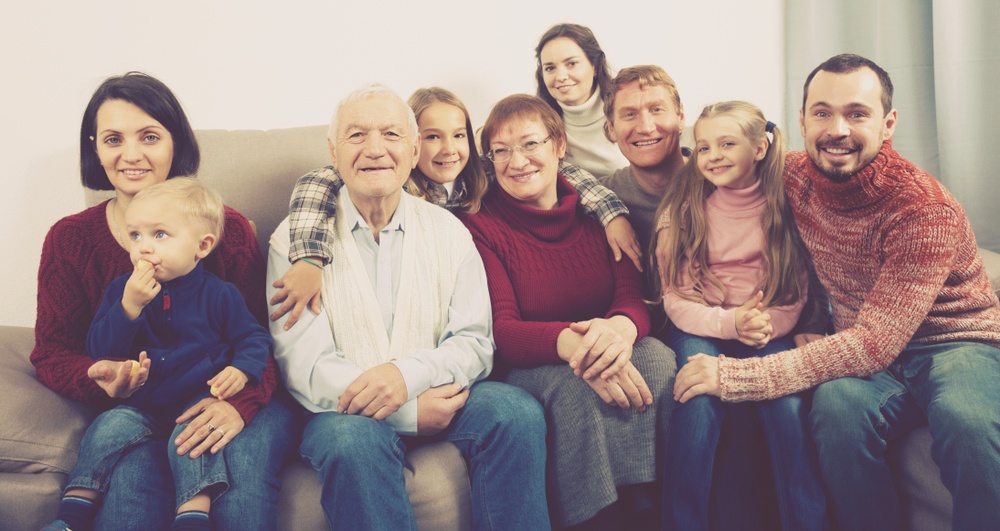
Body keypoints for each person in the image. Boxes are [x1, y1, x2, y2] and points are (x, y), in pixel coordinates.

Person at [667, 53, 1000, 530]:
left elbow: (874, 343)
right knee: (837, 409)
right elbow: (708, 158)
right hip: (866, 352)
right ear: (801, 121)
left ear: (888, 124)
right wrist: (607, 211)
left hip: (952, 342)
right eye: (822, 112)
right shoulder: (795, 175)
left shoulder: (924, 211)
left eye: (857, 113)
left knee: (967, 419)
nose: (837, 128)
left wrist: (737, 377)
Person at [266, 84, 550, 530]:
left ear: (414, 148)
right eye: (356, 135)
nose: (375, 149)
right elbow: (305, 365)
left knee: (513, 411)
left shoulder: (451, 232)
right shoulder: (294, 243)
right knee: (349, 441)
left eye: (392, 135)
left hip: (440, 393)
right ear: (333, 152)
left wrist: (406, 376)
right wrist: (407, 413)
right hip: (341, 415)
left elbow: (475, 341)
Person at [31, 71, 295, 530]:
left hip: (225, 390)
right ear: (95, 147)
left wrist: (239, 402)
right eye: (113, 139)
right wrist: (101, 378)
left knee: (231, 467)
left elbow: (262, 337)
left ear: (176, 142)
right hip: (141, 404)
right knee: (133, 475)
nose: (131, 154)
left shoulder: (225, 231)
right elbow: (53, 350)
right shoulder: (70, 239)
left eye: (149, 136)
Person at [458, 93, 675, 530]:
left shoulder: (602, 211)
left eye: (530, 144)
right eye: (501, 151)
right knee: (578, 387)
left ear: (559, 145)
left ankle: (655, 506)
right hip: (533, 362)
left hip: (604, 343)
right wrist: (581, 348)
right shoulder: (480, 225)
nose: (516, 161)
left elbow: (633, 296)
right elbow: (505, 331)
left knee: (658, 358)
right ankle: (596, 518)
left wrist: (619, 329)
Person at [269, 86, 641, 329]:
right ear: (412, 145)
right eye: (432, 137)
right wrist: (309, 259)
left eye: (459, 135)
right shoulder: (390, 183)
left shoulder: (483, 175)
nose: (448, 149)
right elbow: (317, 182)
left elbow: (561, 170)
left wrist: (611, 213)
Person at [44, 178, 272, 531]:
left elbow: (253, 336)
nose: (143, 248)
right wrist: (128, 308)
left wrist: (243, 370)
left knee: (195, 437)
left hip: (198, 396)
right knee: (108, 427)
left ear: (203, 245)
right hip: (143, 402)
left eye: (160, 235)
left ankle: (192, 516)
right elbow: (99, 349)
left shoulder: (220, 293)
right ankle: (70, 519)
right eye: (135, 236)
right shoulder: (122, 290)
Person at [654, 101, 826, 530]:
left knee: (786, 411)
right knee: (695, 402)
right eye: (704, 146)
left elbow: (795, 292)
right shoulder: (688, 211)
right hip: (702, 326)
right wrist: (731, 324)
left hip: (767, 328)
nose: (713, 155)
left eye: (727, 143)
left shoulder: (786, 211)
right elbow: (676, 300)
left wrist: (766, 325)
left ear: (761, 148)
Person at [535, 23, 628, 179]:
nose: (561, 76)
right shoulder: (540, 121)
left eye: (571, 64)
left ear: (595, 66)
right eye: (550, 68)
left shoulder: (626, 107)